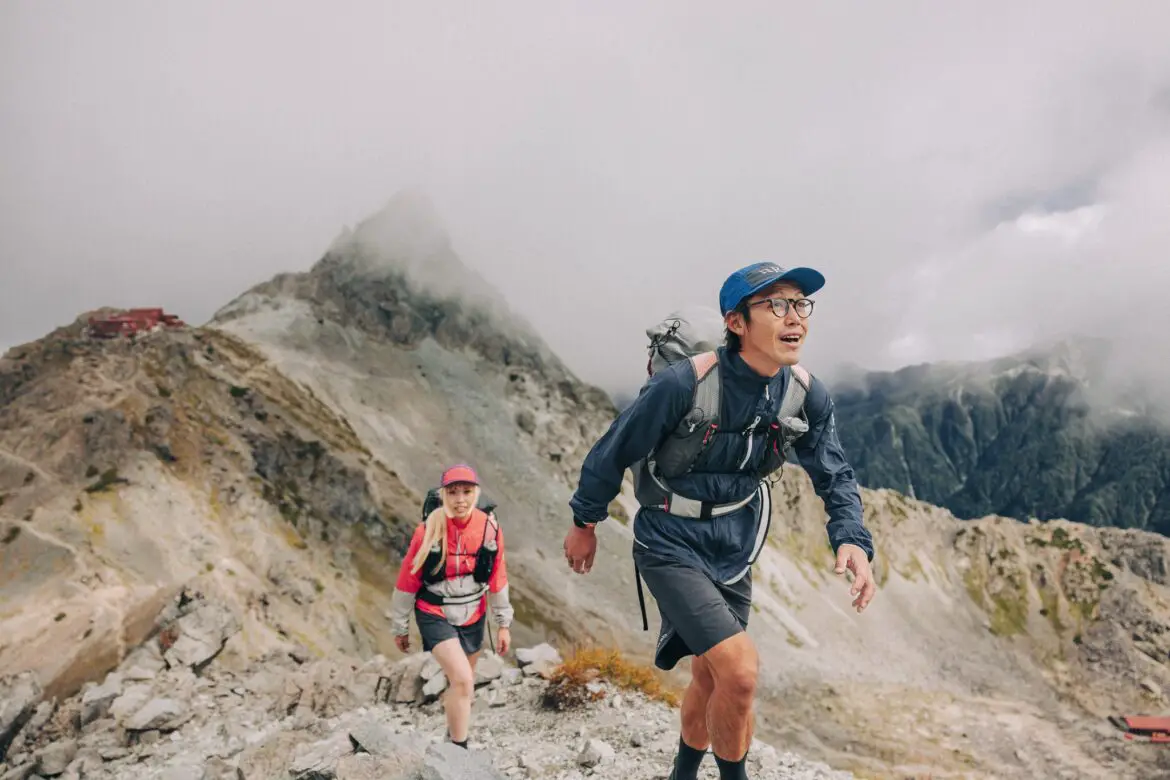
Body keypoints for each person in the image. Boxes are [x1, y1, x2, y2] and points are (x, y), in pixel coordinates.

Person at [562, 262, 876, 780]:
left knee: (711, 678)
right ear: (736, 323)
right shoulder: (683, 385)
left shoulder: (804, 394)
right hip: (669, 542)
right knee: (741, 672)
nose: (794, 316)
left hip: (735, 545)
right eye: (776, 305)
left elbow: (834, 472)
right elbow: (612, 451)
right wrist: (585, 522)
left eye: (800, 304)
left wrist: (852, 539)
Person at [389, 463, 514, 748]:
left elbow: (498, 576)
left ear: (476, 493)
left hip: (473, 613)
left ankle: (450, 740)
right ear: (444, 495)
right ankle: (460, 750)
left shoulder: (489, 529)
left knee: (462, 686)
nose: (460, 499)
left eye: (467, 492)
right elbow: (407, 581)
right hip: (434, 613)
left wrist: (503, 624)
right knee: (462, 681)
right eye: (453, 492)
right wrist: (400, 626)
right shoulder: (428, 530)